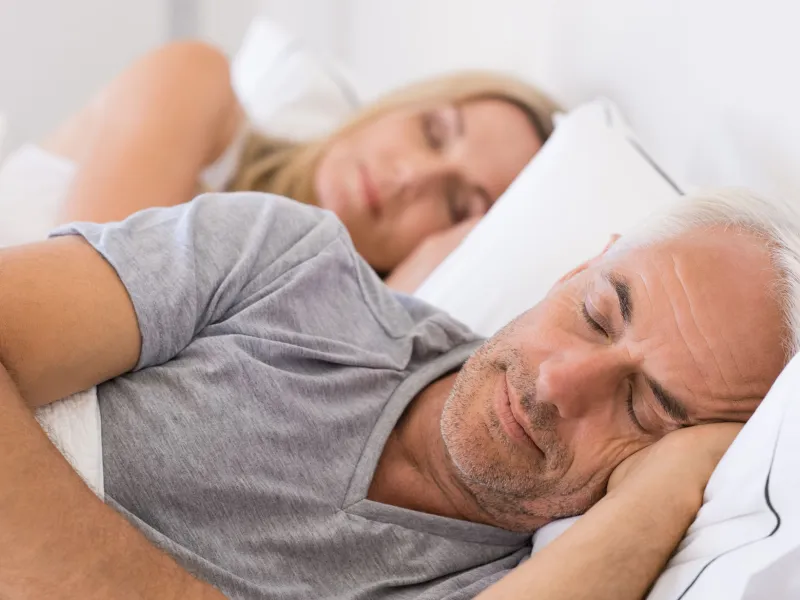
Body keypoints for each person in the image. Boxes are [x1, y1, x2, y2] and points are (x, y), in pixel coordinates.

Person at [0, 187, 795, 599]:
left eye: (648, 405)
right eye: (595, 313)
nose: (559, 384)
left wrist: (657, 503)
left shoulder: (529, 582)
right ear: (578, 267)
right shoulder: (289, 265)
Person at [37, 41, 559, 292]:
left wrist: (396, 306)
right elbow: (75, 303)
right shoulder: (197, 85)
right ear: (401, 104)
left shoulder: (321, 334)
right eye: (433, 132)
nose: (411, 177)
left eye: (455, 204)